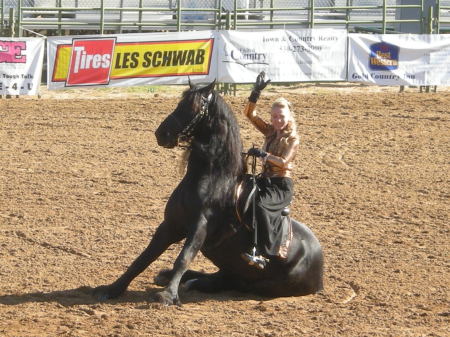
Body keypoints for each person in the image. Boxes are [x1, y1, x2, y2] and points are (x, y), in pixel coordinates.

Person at [241, 71, 300, 269]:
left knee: (259, 204)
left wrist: (263, 155)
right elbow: (250, 114)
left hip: (281, 185)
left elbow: (284, 162)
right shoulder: (269, 131)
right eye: (274, 116)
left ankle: (263, 250)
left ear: (289, 116)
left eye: (281, 116)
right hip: (265, 180)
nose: (277, 120)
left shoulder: (293, 139)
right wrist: (255, 92)